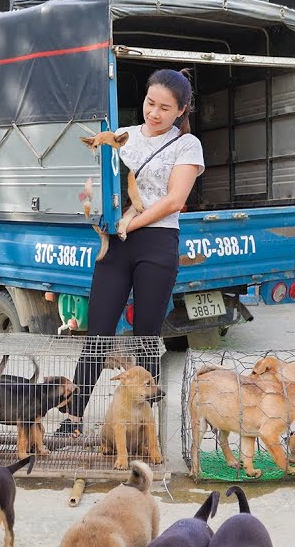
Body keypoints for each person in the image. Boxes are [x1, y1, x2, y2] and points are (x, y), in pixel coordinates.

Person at [54, 68, 205, 437]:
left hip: (156, 243)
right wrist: (89, 197)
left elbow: (174, 200)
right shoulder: (123, 136)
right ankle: (72, 420)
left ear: (182, 109)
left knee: (146, 336)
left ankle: (144, 427)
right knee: (98, 335)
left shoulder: (187, 145)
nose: (154, 113)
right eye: (150, 103)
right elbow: (98, 180)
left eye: (165, 108)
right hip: (115, 246)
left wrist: (129, 225)